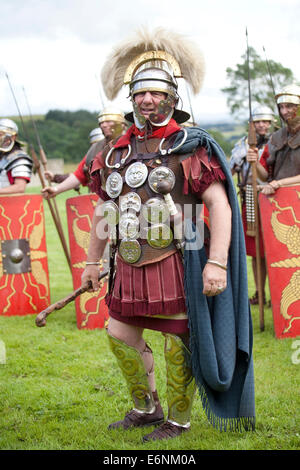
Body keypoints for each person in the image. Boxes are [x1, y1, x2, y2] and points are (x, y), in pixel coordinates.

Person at [81, 27, 255, 442]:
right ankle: (146, 407)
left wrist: (216, 263)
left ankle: (177, 421)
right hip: (128, 257)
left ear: (172, 98)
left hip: (179, 255)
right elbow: (106, 208)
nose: (146, 100)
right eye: (140, 93)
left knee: (178, 340)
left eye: (155, 93)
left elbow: (219, 205)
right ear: (131, 99)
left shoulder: (189, 145)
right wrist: (92, 261)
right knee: (119, 334)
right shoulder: (116, 151)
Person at [230, 106, 275, 305]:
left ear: (271, 122)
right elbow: (231, 168)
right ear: (252, 124)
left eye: (265, 121)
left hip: (275, 198)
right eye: (258, 121)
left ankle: (278, 294)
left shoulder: (278, 142)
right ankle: (259, 293)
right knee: (256, 252)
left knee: (275, 250)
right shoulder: (242, 145)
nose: (262, 125)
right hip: (250, 196)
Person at [42, 107, 126, 199]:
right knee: (98, 213)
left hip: (131, 196)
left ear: (122, 124)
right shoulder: (96, 149)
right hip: (104, 198)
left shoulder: (135, 143)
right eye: (101, 122)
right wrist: (56, 189)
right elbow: (79, 175)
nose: (104, 125)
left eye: (109, 121)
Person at [247, 84, 300, 193]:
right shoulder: (276, 137)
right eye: (281, 107)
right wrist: (255, 162)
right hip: (280, 201)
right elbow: (265, 177)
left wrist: (279, 183)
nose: (284, 112)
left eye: (289, 106)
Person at [0, 118, 33, 194]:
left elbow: (20, 187)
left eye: (0, 134)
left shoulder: (19, 159)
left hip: (9, 204)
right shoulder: (1, 156)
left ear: (13, 137)